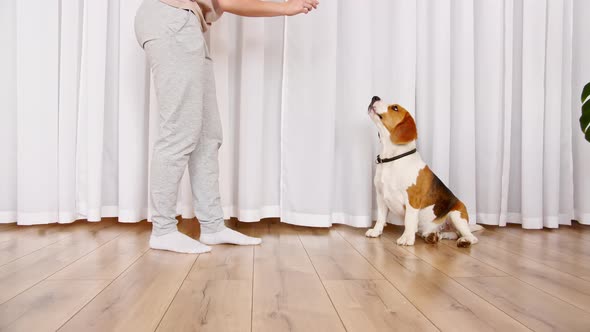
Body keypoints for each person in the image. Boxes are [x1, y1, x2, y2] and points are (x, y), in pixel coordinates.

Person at [134, 0, 319, 254]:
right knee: (179, 131)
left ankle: (212, 226)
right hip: (173, 21)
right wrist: (285, 8)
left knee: (208, 136)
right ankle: (163, 230)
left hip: (184, 25)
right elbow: (227, 1)